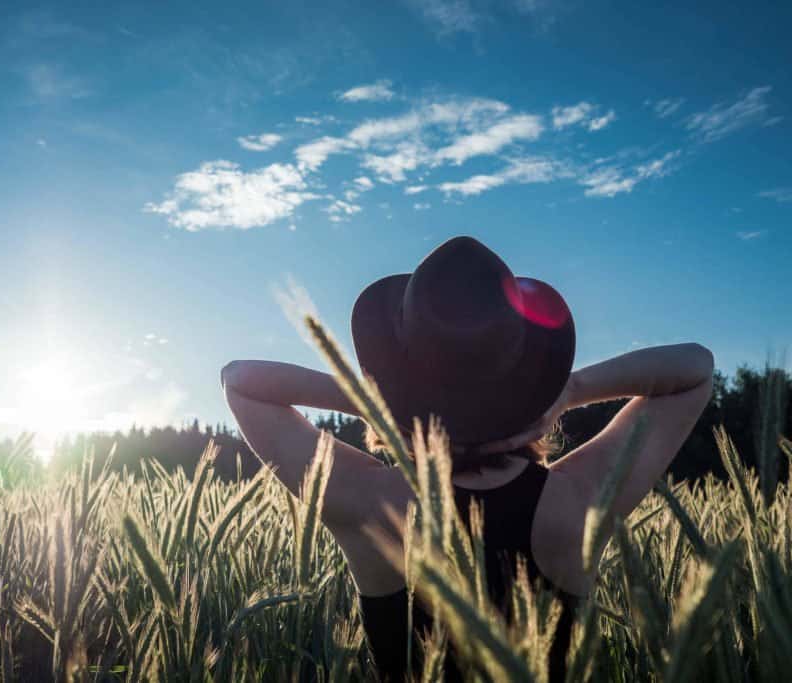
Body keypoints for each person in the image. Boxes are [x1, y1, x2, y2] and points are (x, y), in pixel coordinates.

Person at [220, 235, 714, 681]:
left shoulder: (367, 503)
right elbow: (695, 369)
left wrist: (377, 401)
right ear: (524, 377)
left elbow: (241, 380)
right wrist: (572, 390)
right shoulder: (578, 501)